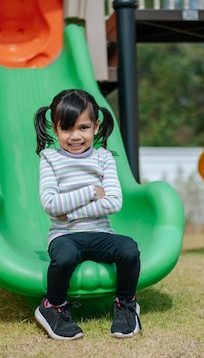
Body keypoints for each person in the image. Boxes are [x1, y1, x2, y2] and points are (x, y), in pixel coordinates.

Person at [33, 89, 141, 340]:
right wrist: (92, 191)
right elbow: (50, 204)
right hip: (65, 235)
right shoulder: (49, 158)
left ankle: (126, 304)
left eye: (83, 127)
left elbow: (113, 203)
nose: (75, 136)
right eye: (67, 128)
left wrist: (69, 213)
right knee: (64, 256)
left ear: (95, 125)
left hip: (100, 233)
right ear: (54, 127)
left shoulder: (104, 158)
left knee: (128, 249)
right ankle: (53, 306)